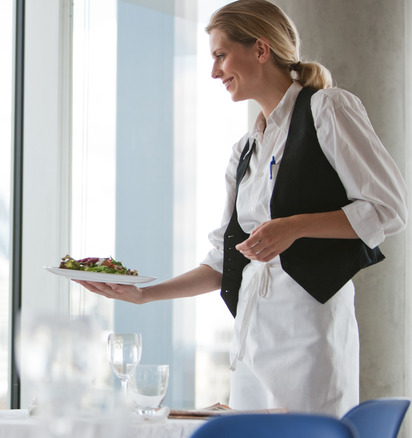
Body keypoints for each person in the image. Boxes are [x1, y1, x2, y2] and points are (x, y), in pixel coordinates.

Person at [77, 0, 407, 417]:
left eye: (220, 55)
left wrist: (294, 227)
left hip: (309, 334)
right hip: (251, 338)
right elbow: (223, 260)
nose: (214, 71)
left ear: (261, 49)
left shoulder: (327, 109)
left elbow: (389, 209)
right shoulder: (246, 150)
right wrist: (143, 295)